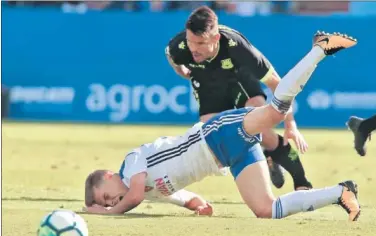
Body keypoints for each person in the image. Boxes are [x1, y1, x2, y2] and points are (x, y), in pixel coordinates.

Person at [84, 31, 360, 222]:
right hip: (230, 156)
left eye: (107, 197)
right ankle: (341, 193)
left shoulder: (131, 165)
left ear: (109, 175)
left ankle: (319, 48)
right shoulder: (150, 192)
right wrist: (197, 205)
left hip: (216, 135)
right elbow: (183, 196)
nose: (112, 202)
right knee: (267, 210)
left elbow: (130, 198)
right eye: (108, 203)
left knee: (275, 112)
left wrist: (106, 214)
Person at [165, 6, 311, 190]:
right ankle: (266, 158)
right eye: (190, 41)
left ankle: (302, 182)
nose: (193, 48)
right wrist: (182, 72)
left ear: (216, 38)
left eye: (200, 43)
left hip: (238, 79)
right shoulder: (179, 46)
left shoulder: (237, 47)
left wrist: (290, 124)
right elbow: (171, 56)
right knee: (216, 140)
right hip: (207, 84)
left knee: (262, 131)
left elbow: (279, 86)